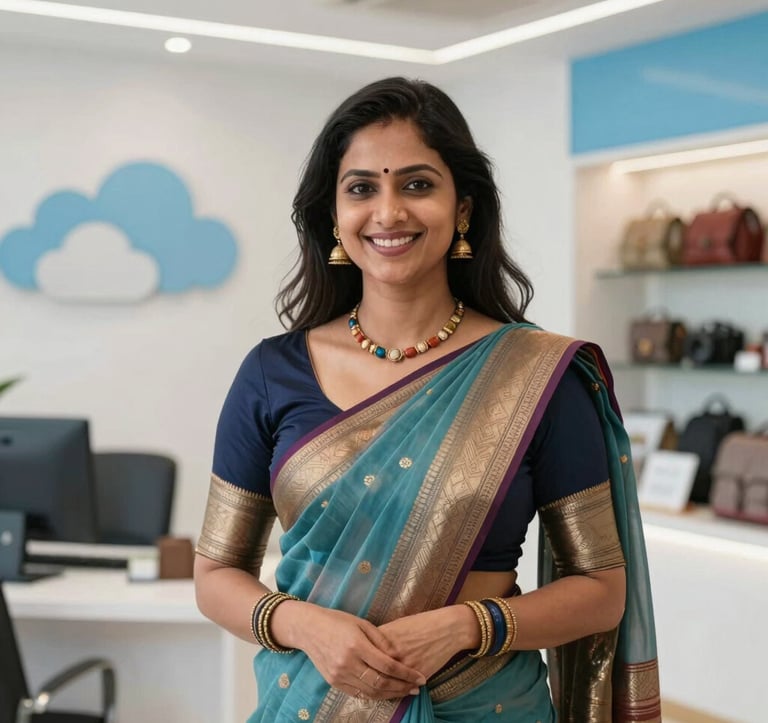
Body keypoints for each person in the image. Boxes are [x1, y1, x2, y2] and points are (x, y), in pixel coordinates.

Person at [194, 77, 660, 723]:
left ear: (462, 207)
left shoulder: (537, 376)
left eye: (416, 184)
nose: (388, 213)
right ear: (333, 214)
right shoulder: (273, 372)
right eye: (362, 188)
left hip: (485, 702)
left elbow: (601, 592)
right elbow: (216, 573)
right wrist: (305, 625)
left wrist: (469, 625)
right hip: (311, 700)